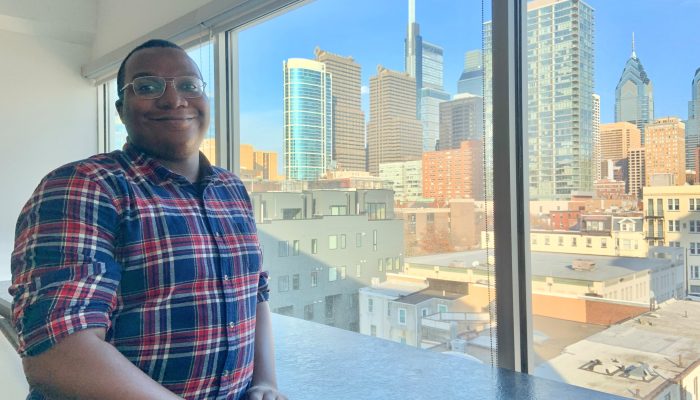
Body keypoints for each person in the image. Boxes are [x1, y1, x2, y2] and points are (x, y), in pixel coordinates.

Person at [10, 39, 286, 400]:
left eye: (189, 85)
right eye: (147, 86)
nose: (174, 100)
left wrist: (265, 382)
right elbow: (58, 349)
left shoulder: (230, 188)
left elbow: (255, 290)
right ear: (121, 109)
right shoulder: (86, 185)